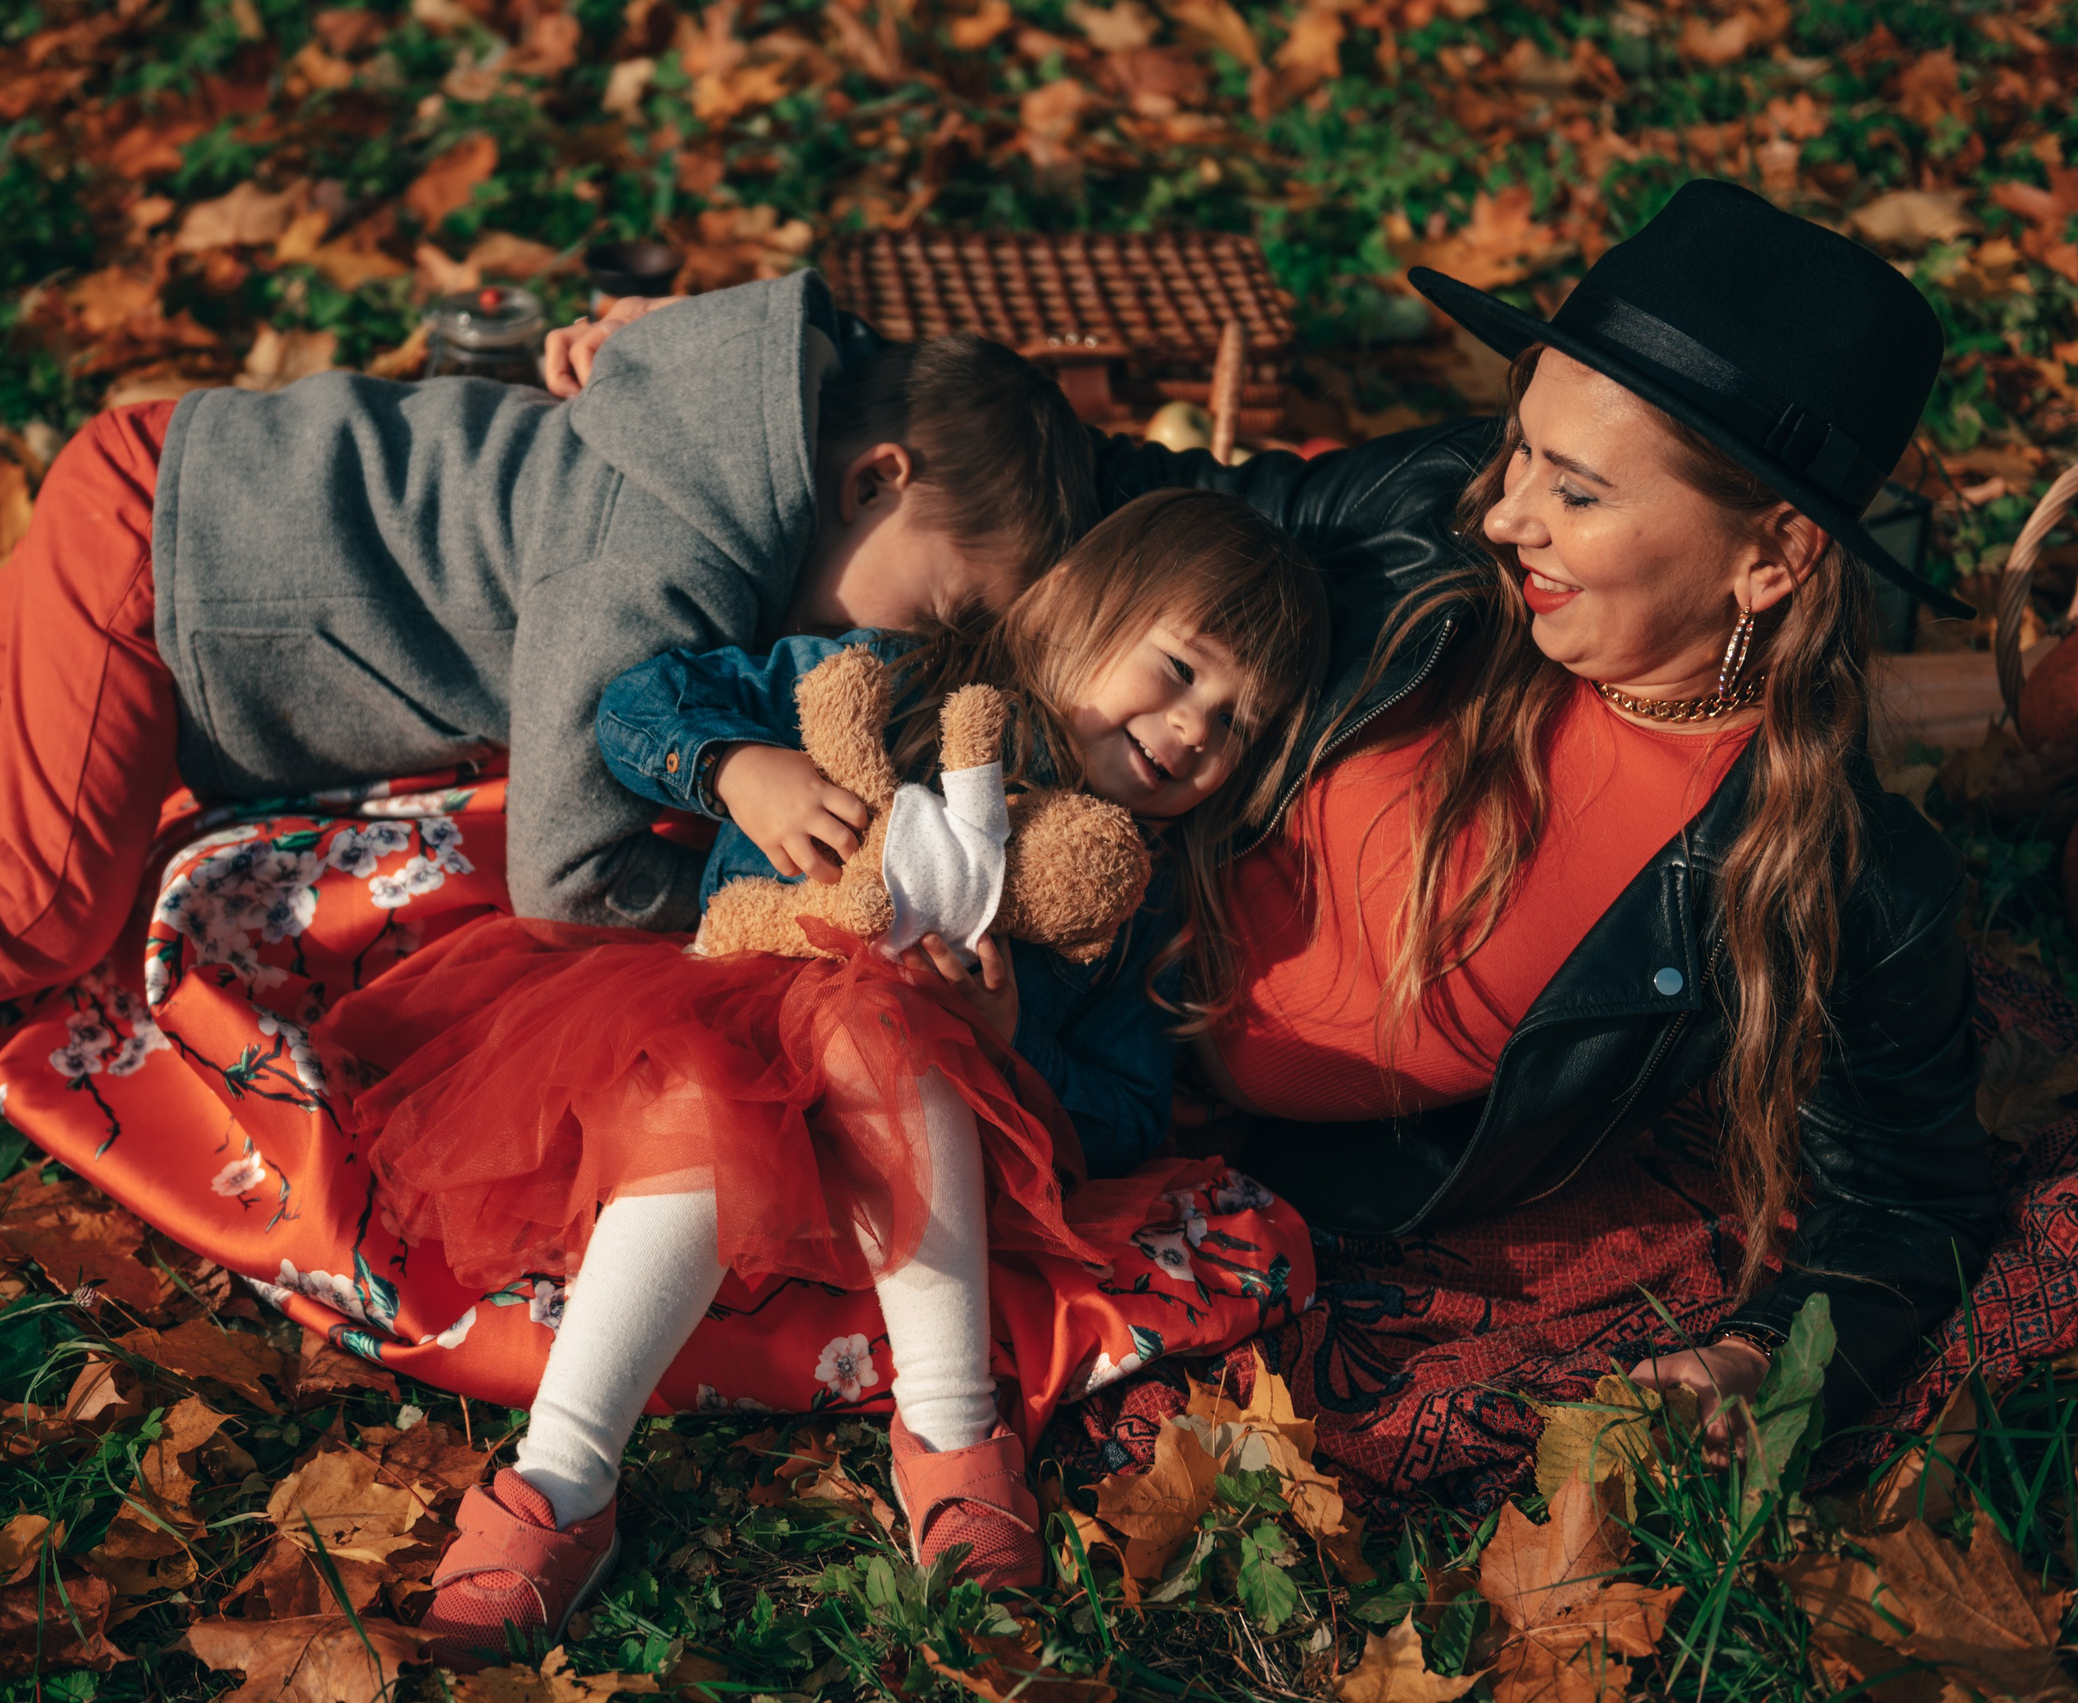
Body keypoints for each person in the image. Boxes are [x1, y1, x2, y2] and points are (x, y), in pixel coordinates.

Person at [562, 184, 1995, 1461]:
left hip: (1105, 1096)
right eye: (1520, 455)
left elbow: (1904, 1192)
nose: (1508, 517)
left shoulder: (1837, 878)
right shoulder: (1425, 520)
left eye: (1577, 488)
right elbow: (1124, 486)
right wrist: (757, 380)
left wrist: (1762, 1359)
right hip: (982, 916)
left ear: (1776, 555)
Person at [0, 273, 1097, 1090]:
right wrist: (752, 903)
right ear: (872, 478)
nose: (920, 649)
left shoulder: (728, 423)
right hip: (175, 573)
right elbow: (564, 871)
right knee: (45, 899)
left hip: (178, 491)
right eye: (945, 604)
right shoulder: (663, 550)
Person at [315, 489, 1326, 1651]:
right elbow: (640, 702)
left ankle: (950, 1436)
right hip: (715, 1072)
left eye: (1238, 723)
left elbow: (1132, 1108)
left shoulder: (1133, 891)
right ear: (1072, 607)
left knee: (875, 1020)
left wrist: (1005, 1044)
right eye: (1182, 668)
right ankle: (561, 1478)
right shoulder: (893, 681)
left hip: (932, 1157)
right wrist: (737, 766)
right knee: (701, 1077)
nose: (1196, 727)